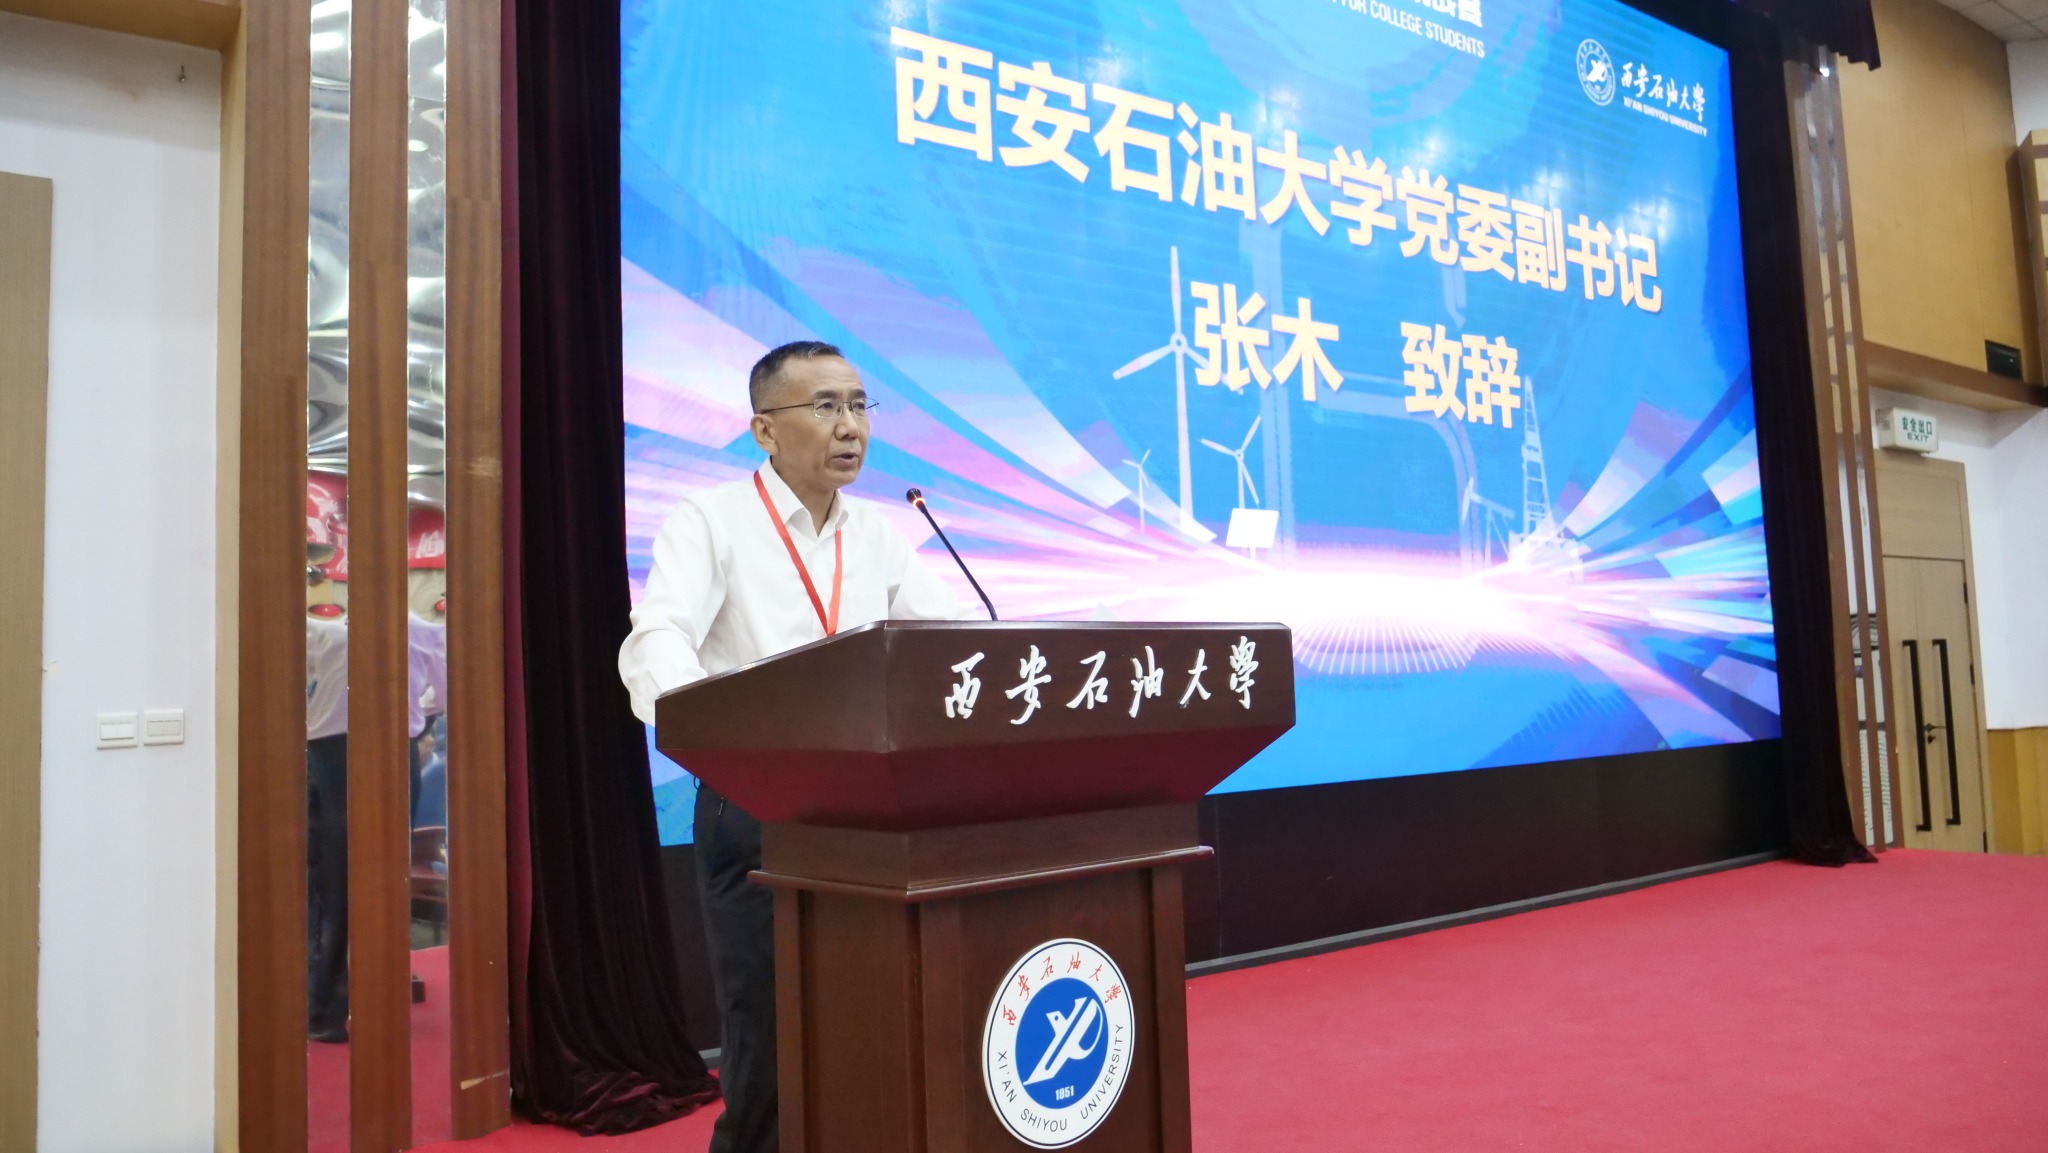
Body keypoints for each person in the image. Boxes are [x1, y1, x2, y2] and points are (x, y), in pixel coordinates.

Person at [619, 340, 972, 1153]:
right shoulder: (712, 519)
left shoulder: (879, 533)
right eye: (825, 406)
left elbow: (949, 645)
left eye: (859, 405)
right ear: (765, 430)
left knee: (873, 1027)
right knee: (770, 1044)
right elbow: (658, 637)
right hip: (759, 808)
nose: (850, 426)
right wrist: (719, 733)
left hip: (871, 814)